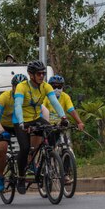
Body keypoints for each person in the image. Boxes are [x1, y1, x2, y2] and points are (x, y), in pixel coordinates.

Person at [13, 61, 68, 194]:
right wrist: (21, 122)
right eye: (39, 73)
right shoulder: (22, 87)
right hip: (21, 120)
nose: (42, 76)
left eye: (43, 73)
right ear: (31, 75)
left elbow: (54, 102)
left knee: (52, 131)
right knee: (25, 148)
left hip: (37, 118)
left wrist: (63, 117)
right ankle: (21, 177)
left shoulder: (46, 86)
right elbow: (18, 105)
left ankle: (47, 158)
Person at [0, 74, 28, 192]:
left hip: (19, 125)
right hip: (3, 125)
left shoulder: (28, 96)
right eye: (17, 86)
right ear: (12, 86)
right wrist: (1, 130)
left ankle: (30, 165)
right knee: (2, 147)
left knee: (31, 144)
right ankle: (0, 177)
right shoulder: (5, 96)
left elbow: (42, 110)